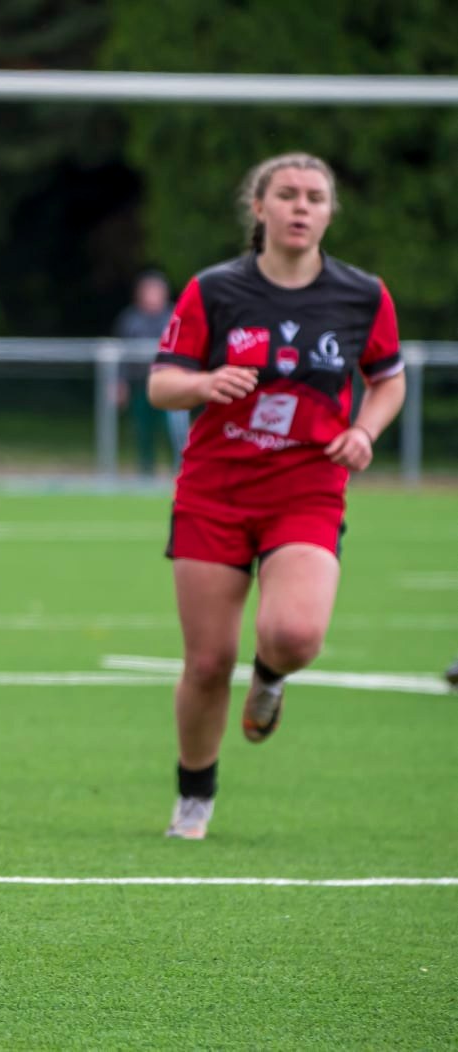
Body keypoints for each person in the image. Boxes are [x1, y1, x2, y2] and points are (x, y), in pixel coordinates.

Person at [150, 153, 405, 841]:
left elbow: (387, 379)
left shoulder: (361, 295)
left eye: (314, 197)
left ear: (328, 213)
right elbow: (161, 383)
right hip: (214, 490)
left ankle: (269, 677)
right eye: (286, 195)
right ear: (256, 208)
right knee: (205, 663)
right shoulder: (213, 291)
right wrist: (204, 385)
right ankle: (194, 795)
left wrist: (364, 429)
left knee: (293, 634)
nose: (300, 207)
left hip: (307, 490)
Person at [113, 270, 187, 476]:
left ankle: (181, 471)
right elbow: (121, 355)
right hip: (140, 385)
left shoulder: (174, 317)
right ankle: (146, 472)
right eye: (148, 291)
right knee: (143, 431)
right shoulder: (130, 319)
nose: (152, 296)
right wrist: (120, 383)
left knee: (175, 432)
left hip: (169, 385)